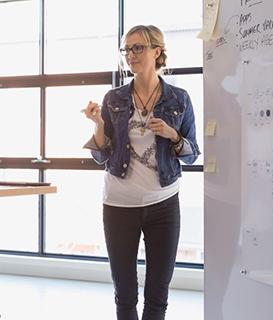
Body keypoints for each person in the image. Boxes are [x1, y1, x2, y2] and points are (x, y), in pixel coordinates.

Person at [82, 25, 200, 320]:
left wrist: (173, 135)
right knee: (125, 296)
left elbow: (192, 153)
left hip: (164, 205)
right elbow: (102, 154)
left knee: (158, 297)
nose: (130, 56)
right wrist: (98, 125)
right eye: (126, 49)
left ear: (156, 52)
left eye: (138, 48)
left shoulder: (180, 99)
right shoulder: (114, 99)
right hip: (119, 205)